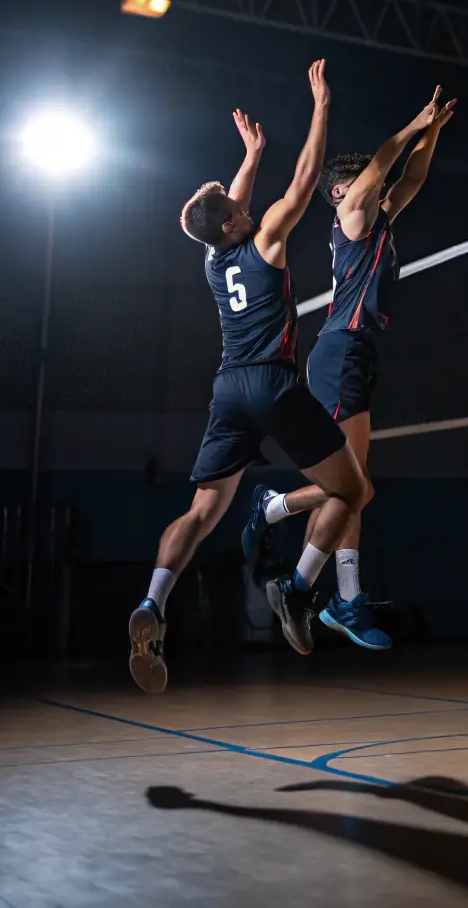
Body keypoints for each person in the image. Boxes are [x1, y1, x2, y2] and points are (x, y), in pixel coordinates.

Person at [128, 61, 367, 694]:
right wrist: (320, 105)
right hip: (272, 383)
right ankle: (297, 589)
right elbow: (308, 179)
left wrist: (252, 153)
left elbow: (223, 211)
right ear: (235, 222)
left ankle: (153, 604)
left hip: (228, 388)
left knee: (202, 511)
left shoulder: (214, 257)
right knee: (353, 492)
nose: (244, 205)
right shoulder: (263, 241)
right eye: (238, 206)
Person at [241, 86, 456, 650]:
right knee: (354, 486)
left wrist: (430, 135)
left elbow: (409, 178)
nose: (377, 185)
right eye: (364, 179)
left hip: (356, 352)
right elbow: (388, 163)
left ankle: (331, 589)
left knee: (354, 488)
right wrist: (412, 124)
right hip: (340, 351)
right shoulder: (353, 215)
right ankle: (308, 575)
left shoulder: (377, 218)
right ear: (341, 192)